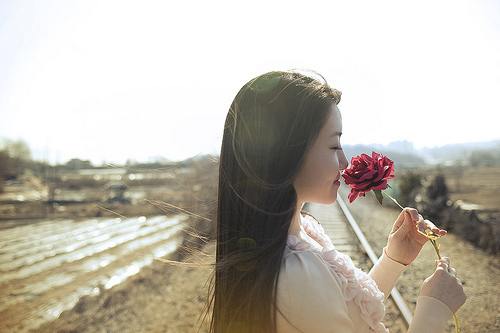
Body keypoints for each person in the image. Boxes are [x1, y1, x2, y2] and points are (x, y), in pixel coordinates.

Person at [209, 70, 466, 332]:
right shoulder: (296, 275)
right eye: (334, 146)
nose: (344, 162)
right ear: (287, 154)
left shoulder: (301, 230)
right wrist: (433, 312)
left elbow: (343, 311)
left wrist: (394, 259)